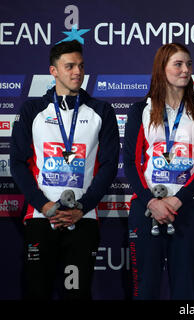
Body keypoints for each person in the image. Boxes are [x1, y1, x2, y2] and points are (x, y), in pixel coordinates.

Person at [10, 40, 119, 299]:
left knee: (77, 295)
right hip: (40, 218)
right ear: (53, 71)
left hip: (83, 220)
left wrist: (82, 207)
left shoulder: (101, 111)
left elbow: (108, 165)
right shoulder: (32, 110)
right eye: (69, 66)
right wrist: (44, 206)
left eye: (80, 66)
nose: (77, 72)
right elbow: (17, 163)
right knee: (36, 292)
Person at [123, 43, 194, 299]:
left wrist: (178, 200)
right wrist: (152, 202)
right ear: (161, 68)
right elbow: (130, 163)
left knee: (184, 290)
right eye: (178, 64)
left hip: (186, 207)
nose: (185, 69)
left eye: (188, 64)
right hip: (146, 207)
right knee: (146, 288)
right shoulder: (140, 110)